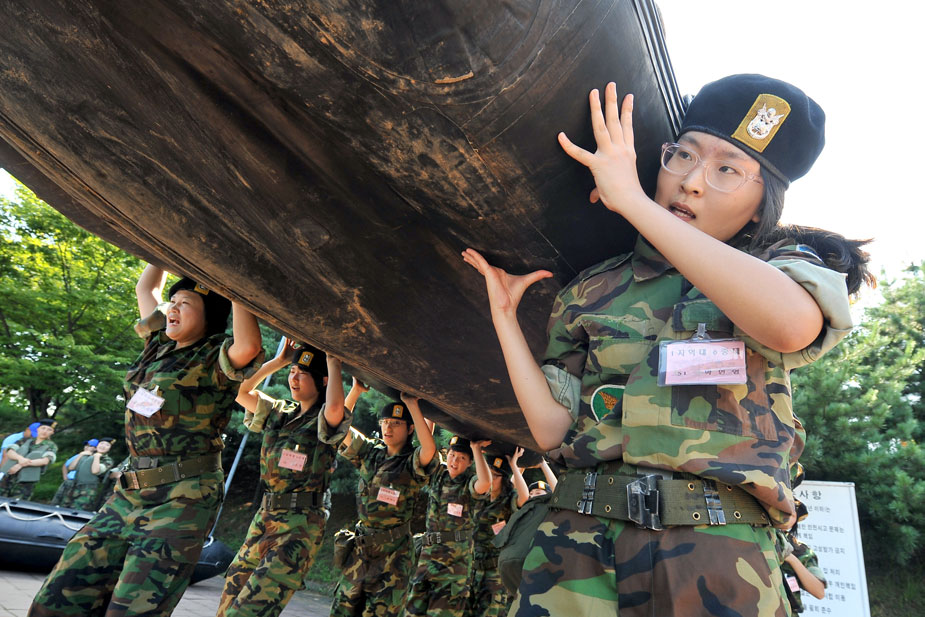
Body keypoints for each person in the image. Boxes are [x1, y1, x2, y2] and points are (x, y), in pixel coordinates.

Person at [463, 74, 872, 616]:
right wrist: (504, 317)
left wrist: (633, 202)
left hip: (718, 553)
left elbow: (791, 326)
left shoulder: (777, 267)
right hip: (577, 546)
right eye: (683, 156)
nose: (692, 182)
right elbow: (553, 431)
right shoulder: (591, 289)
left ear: (760, 203)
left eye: (727, 170)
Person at [29, 264, 264, 617]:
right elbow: (146, 289)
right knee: (59, 595)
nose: (173, 308)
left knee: (134, 608)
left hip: (181, 497)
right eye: (173, 301)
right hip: (129, 491)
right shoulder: (157, 345)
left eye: (185, 303)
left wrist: (230, 278)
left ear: (209, 318)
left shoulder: (215, 355)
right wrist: (163, 253)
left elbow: (249, 345)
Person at [217, 337, 350, 617]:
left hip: (300, 524)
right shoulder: (279, 412)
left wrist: (333, 361)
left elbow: (336, 407)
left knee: (252, 608)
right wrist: (279, 361)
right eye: (292, 371)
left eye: (303, 373)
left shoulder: (325, 419)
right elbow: (241, 391)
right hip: (265, 518)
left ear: (323, 381)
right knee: (230, 596)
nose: (294, 378)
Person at [330, 391, 438, 617]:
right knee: (342, 610)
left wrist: (413, 405)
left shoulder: (411, 462)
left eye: (396, 424)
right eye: (385, 422)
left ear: (410, 429)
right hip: (360, 549)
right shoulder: (370, 451)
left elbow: (429, 450)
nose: (388, 428)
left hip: (394, 555)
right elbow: (338, 425)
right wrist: (355, 391)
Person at [403, 435, 491, 617]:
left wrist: (476, 449)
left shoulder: (469, 483)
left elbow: (485, 483)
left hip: (455, 563)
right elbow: (426, 447)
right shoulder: (439, 474)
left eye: (462, 458)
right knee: (413, 610)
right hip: (428, 557)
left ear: (470, 463)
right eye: (452, 455)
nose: (455, 461)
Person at [465, 453, 519, 617]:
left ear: (504, 479)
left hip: (494, 574)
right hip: (471, 569)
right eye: (488, 473)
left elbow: (524, 498)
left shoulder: (510, 500)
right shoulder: (477, 496)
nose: (490, 479)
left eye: (495, 476)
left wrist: (515, 466)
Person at [0, 418, 57, 499]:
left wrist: (20, 465)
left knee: (18, 503)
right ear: (38, 429)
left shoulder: (51, 446)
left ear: (52, 432)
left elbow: (45, 461)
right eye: (43, 428)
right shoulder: (25, 440)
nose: (45, 431)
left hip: (26, 480)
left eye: (49, 430)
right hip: (9, 475)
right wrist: (20, 459)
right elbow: (10, 452)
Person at [68, 437, 116, 511]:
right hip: (73, 487)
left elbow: (95, 471)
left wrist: (97, 457)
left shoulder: (107, 460)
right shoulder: (86, 455)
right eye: (102, 443)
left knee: (78, 512)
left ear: (109, 449)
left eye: (107, 445)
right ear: (97, 445)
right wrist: (80, 455)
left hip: (87, 490)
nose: (103, 446)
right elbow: (71, 468)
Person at [51, 439, 98, 507]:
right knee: (56, 501)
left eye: (90, 446)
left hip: (80, 483)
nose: (86, 447)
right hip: (69, 481)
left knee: (70, 504)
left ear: (95, 448)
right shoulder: (79, 455)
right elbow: (66, 465)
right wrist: (65, 478)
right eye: (86, 445)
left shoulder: (95, 458)